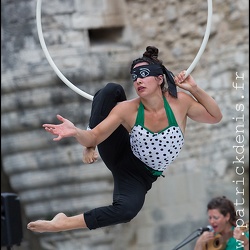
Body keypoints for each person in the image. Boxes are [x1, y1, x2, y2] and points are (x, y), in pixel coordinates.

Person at [27, 46, 222, 233]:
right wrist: (78, 133)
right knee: (111, 90)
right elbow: (95, 135)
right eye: (135, 77)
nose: (138, 81)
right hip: (119, 152)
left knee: (127, 210)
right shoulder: (127, 109)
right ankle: (89, 148)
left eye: (144, 75)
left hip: (141, 175)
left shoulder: (180, 102)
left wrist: (194, 89)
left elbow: (215, 117)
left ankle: (63, 222)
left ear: (160, 78)